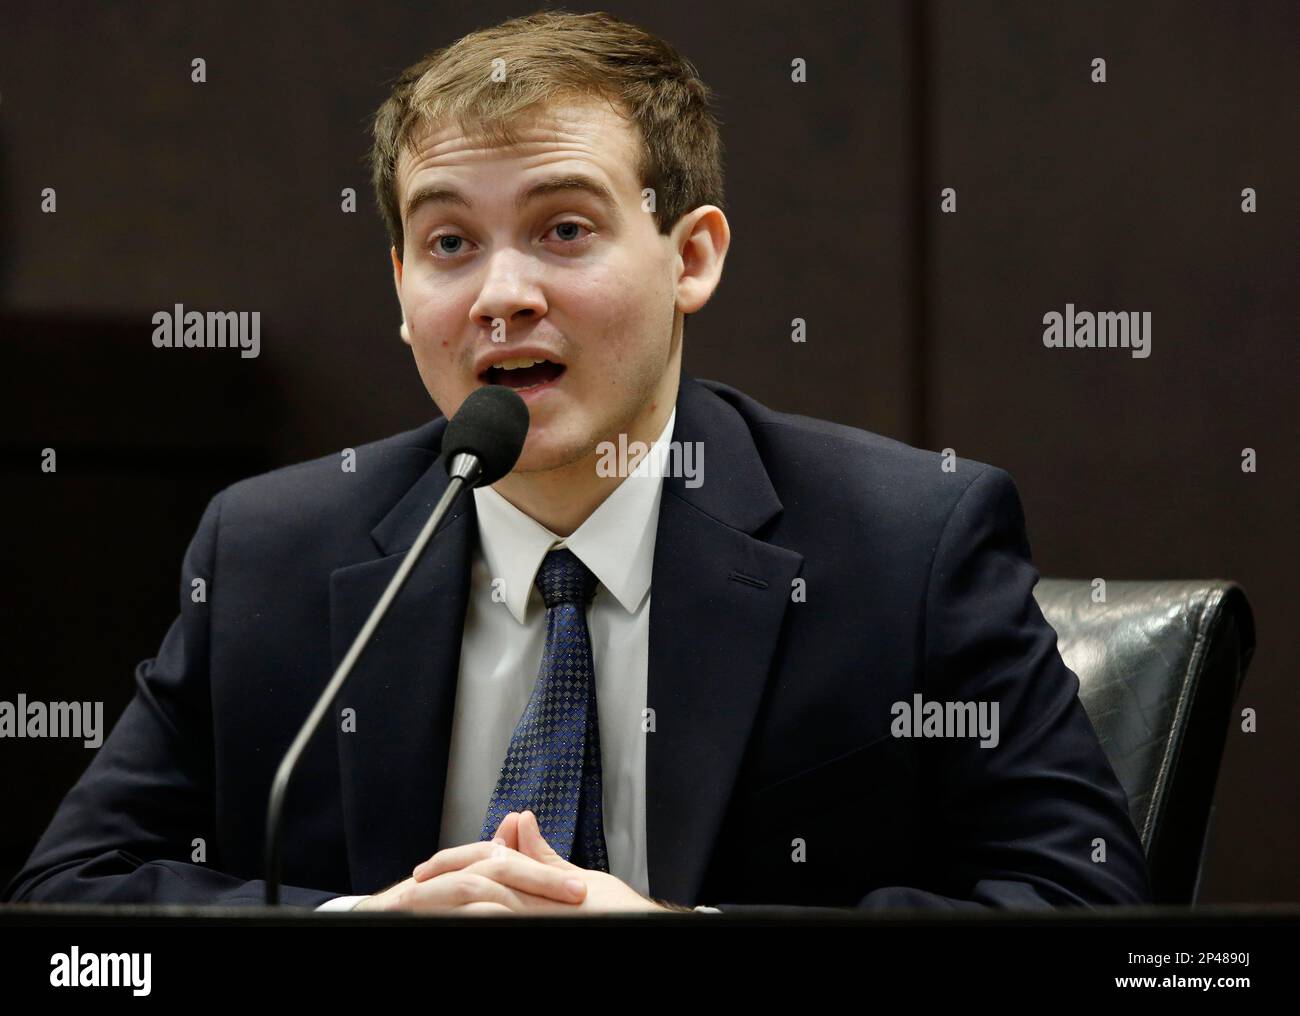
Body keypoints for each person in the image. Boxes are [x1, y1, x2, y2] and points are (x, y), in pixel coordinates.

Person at [4, 10, 1151, 915]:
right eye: (449, 242)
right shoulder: (269, 551)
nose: (503, 296)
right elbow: (67, 912)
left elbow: (1086, 904)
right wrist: (359, 921)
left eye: (563, 228)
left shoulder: (904, 543)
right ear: (402, 290)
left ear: (690, 255)